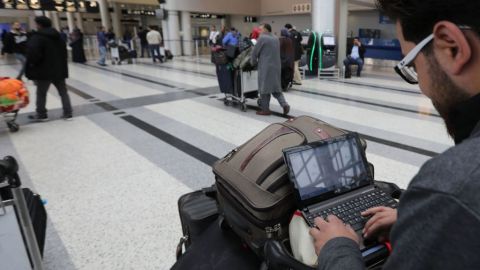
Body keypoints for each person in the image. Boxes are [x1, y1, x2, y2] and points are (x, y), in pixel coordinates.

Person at [310, 0, 480, 269]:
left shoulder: (451, 190)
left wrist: (338, 249)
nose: (421, 86)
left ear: (452, 46)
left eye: (411, 65)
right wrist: (419, 218)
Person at [25, 16, 72, 122]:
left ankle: (41, 114)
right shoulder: (59, 37)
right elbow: (64, 54)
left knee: (41, 93)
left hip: (43, 71)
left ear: (39, 25)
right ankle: (68, 112)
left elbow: (33, 54)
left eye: (36, 24)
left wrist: (33, 65)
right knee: (63, 92)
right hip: (59, 70)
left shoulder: (37, 37)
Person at [251, 23, 290, 116]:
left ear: (266, 29)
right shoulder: (276, 38)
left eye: (261, 29)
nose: (260, 31)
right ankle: (284, 104)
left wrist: (253, 62)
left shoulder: (262, 38)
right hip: (276, 67)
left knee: (264, 88)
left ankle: (265, 110)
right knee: (276, 88)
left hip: (265, 67)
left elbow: (255, 52)